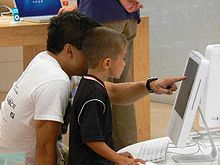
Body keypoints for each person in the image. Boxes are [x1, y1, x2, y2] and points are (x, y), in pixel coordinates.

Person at [0, 11, 185, 165]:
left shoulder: (46, 59)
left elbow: (110, 91)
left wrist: (150, 86)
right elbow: (45, 148)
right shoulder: (54, 82)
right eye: (87, 51)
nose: (92, 56)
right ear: (69, 50)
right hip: (13, 160)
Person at [59, 0, 145, 149]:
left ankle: (96, 154)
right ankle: (128, 152)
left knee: (94, 86)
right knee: (120, 84)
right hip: (126, 15)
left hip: (102, 13)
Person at [68, 27, 145, 165]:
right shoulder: (94, 96)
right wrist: (118, 159)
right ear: (107, 63)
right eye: (123, 58)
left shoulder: (90, 84)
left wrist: (114, 155)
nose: (124, 63)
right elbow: (92, 139)